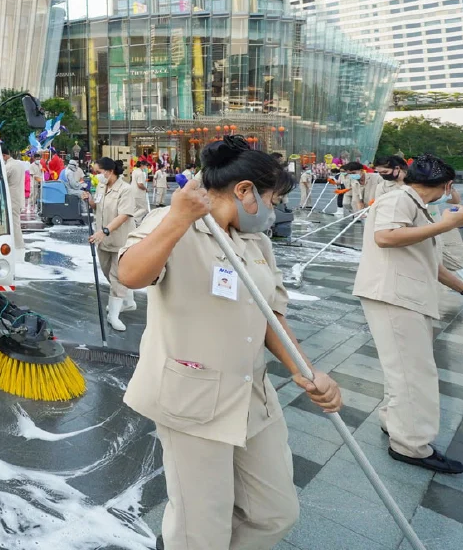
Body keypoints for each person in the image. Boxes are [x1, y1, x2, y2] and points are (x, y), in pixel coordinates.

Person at [118, 136, 343, 549]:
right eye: (273, 199)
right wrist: (177, 219)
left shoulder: (255, 241)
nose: (275, 211)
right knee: (202, 526)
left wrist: (305, 371)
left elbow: (270, 313)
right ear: (244, 191)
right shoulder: (172, 222)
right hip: (193, 397)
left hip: (251, 394)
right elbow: (131, 275)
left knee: (275, 512)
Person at [354, 154, 463, 473]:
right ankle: (411, 444)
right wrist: (445, 222)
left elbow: (430, 263)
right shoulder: (399, 200)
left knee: (402, 368)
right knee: (414, 372)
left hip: (406, 295)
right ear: (446, 185)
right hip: (393, 296)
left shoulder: (417, 206)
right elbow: (385, 237)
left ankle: (395, 423)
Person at [88, 158, 138, 331]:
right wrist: (90, 200)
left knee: (117, 277)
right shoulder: (102, 187)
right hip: (102, 240)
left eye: (99, 172)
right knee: (107, 272)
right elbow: (98, 207)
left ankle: (113, 316)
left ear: (109, 171)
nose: (97, 175)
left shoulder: (126, 189)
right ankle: (128, 301)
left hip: (119, 240)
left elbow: (124, 215)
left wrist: (105, 231)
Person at [1, 145, 28, 250]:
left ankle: (19, 246)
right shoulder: (18, 164)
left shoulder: (9, 167)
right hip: (18, 198)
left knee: (14, 223)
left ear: (4, 156)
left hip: (12, 199)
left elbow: (2, 181)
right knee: (14, 223)